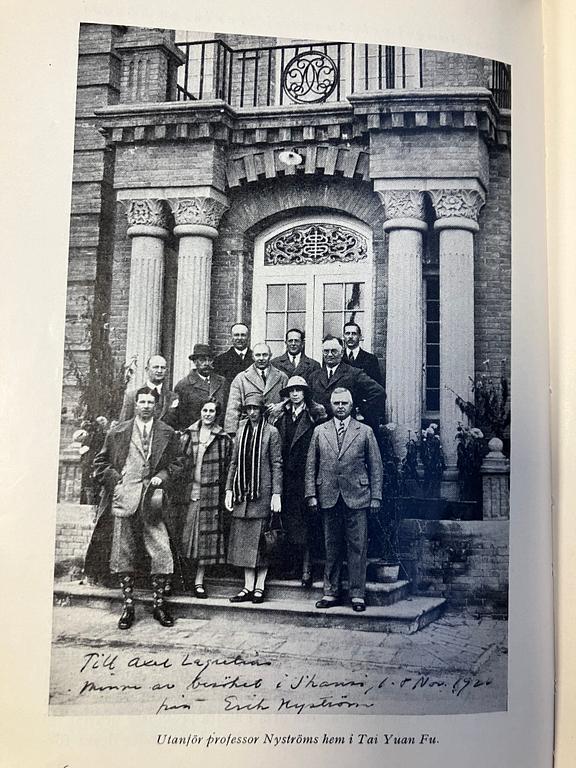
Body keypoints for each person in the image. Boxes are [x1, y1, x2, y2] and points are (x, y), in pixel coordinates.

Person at [89, 387, 184, 629]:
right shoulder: (118, 431)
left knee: (162, 551)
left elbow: (179, 462)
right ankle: (128, 606)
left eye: (150, 402)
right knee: (123, 554)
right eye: (141, 401)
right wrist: (116, 482)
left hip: (154, 501)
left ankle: (159, 605)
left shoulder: (167, 432)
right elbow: (100, 463)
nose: (145, 405)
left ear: (156, 404)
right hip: (125, 499)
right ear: (135, 404)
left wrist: (162, 477)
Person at [305, 387, 383, 612]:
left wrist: (376, 496)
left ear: (351, 405)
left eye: (344, 403)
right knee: (332, 546)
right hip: (328, 495)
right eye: (336, 403)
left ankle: (358, 595)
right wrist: (311, 494)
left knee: (357, 546)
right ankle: (331, 592)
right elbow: (311, 465)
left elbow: (376, 466)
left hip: (357, 496)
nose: (340, 407)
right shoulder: (320, 431)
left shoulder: (365, 431)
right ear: (330, 405)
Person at [225, 392, 283, 604]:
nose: (251, 413)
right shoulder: (240, 431)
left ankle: (260, 587)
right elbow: (233, 462)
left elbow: (277, 463)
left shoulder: (271, 432)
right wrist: (229, 489)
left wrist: (277, 493)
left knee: (262, 543)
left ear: (262, 410)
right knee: (243, 544)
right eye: (248, 409)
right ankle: (247, 586)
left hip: (262, 494)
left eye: (255, 408)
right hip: (243, 495)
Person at [271, 376, 326, 587]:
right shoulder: (281, 416)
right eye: (291, 390)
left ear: (305, 394)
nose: (295, 394)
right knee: (288, 522)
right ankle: (291, 565)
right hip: (286, 477)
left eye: (299, 390)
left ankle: (307, 567)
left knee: (307, 523)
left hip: (305, 476)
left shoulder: (314, 416)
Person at [179, 400, 233, 598]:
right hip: (188, 494)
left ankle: (199, 582)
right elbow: (179, 462)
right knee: (185, 539)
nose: (208, 414)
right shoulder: (187, 435)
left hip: (210, 496)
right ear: (200, 411)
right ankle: (182, 578)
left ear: (216, 414)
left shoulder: (223, 438)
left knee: (205, 541)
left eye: (212, 411)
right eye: (205, 410)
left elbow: (228, 467)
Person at [307, 335, 386, 431]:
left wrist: (360, 410)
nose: (330, 355)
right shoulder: (314, 376)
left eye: (334, 351)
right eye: (326, 351)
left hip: (346, 428)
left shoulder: (354, 373)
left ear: (342, 352)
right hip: (320, 428)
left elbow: (379, 392)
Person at [224, 342, 288, 434]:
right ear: (253, 357)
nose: (261, 358)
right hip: (248, 429)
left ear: (270, 356)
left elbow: (289, 402)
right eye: (258, 355)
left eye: (265, 355)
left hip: (275, 427)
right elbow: (233, 409)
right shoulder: (241, 378)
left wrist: (280, 406)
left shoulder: (282, 377)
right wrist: (232, 433)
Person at [168, 344, 229, 431]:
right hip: (194, 435)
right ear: (195, 362)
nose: (207, 363)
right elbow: (179, 416)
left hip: (218, 434)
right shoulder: (184, 385)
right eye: (202, 360)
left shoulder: (222, 382)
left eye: (210, 360)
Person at [119, 355, 179, 422]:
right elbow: (123, 426)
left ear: (167, 371)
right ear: (147, 370)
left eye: (163, 368)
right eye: (155, 367)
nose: (159, 371)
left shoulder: (173, 397)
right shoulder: (132, 396)